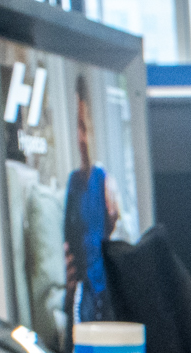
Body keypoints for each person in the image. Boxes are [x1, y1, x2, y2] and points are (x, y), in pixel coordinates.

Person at [63, 75, 120, 328]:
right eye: (77, 127)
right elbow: (67, 236)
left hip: (106, 283)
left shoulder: (103, 179)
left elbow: (113, 227)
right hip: (84, 285)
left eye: (84, 127)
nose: (81, 137)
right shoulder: (74, 182)